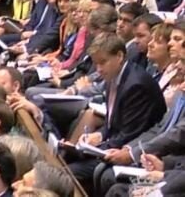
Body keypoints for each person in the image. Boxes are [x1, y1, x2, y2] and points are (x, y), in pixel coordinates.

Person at [68, 33, 166, 195]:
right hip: (115, 144)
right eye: (96, 63)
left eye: (103, 62)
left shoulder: (136, 85)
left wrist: (88, 149)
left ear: (120, 56)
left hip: (138, 150)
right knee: (68, 158)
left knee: (69, 171)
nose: (98, 69)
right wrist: (97, 136)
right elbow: (112, 122)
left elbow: (129, 133)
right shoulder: (113, 76)